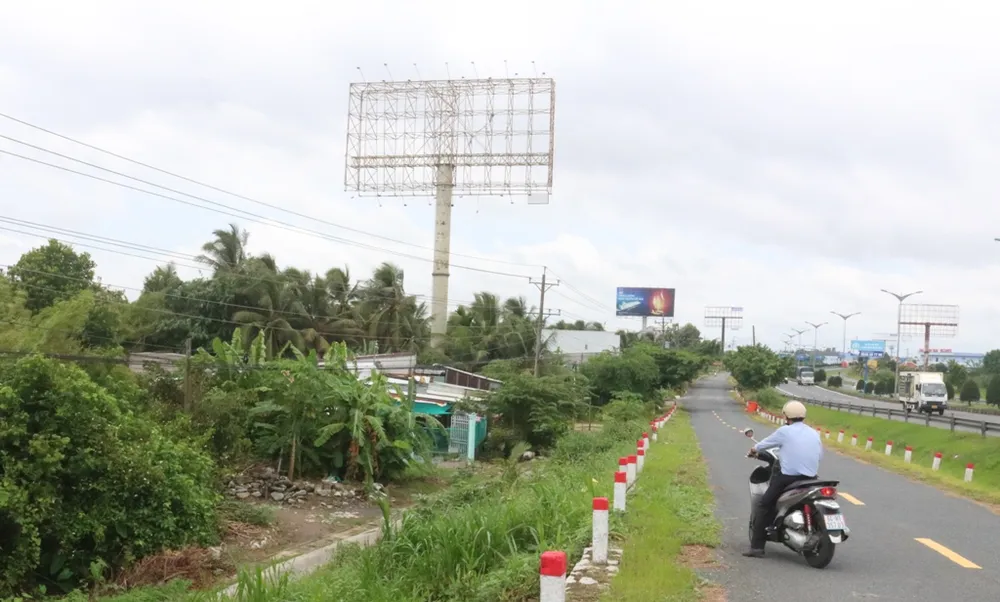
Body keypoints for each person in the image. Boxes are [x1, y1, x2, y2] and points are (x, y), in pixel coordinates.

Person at [742, 400, 823, 558]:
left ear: (786, 415)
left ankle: (757, 548)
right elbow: (820, 455)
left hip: (788, 478)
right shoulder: (814, 432)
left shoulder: (784, 431)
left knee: (764, 504)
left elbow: (762, 445)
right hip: (811, 478)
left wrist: (753, 450)